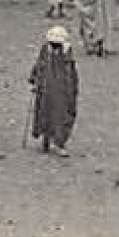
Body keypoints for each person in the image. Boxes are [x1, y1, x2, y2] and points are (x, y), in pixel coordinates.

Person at [29, 26, 79, 157]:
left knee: (63, 116)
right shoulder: (45, 51)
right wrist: (34, 80)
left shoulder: (67, 54)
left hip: (63, 91)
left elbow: (72, 74)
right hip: (46, 89)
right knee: (44, 114)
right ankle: (46, 140)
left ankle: (59, 143)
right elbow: (39, 66)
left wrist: (73, 89)